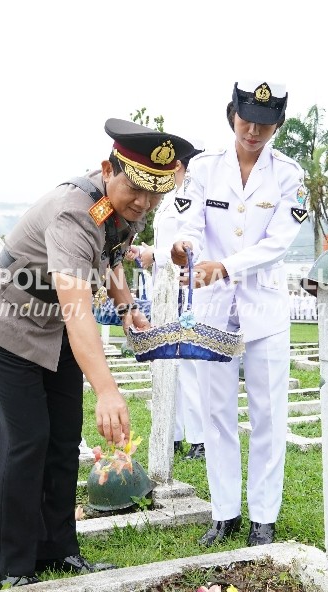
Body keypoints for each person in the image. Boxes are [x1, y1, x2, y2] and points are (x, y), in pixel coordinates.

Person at [0, 118, 195, 588]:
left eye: (155, 194)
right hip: (6, 321)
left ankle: (58, 550)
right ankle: (11, 567)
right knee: (26, 440)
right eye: (138, 190)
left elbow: (110, 257)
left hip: (50, 326)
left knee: (64, 437)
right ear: (109, 168)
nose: (145, 203)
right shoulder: (73, 212)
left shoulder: (124, 205)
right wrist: (107, 390)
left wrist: (127, 305)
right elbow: (78, 314)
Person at [171, 80, 306, 547]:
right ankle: (224, 512)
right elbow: (190, 225)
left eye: (265, 123)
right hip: (212, 308)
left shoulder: (289, 175)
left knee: (270, 414)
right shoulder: (205, 168)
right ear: (232, 114)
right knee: (216, 413)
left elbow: (279, 243)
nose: (254, 130)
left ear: (278, 125)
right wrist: (184, 249)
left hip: (264, 308)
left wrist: (225, 266)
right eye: (247, 119)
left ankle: (264, 517)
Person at [129, 139, 207, 460]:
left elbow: (190, 246)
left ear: (178, 165)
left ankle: (200, 439)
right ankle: (172, 434)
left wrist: (154, 254)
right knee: (166, 362)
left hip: (185, 288)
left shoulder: (190, 195)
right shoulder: (169, 199)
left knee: (187, 363)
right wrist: (146, 251)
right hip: (164, 288)